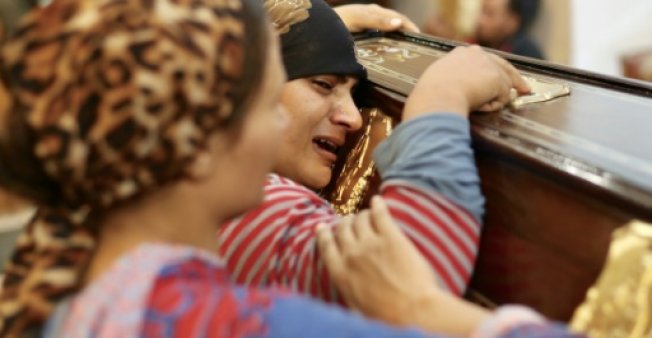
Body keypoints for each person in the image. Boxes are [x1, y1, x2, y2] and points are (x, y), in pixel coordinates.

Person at [0, 1, 587, 337]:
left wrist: (307, 25)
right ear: (199, 139)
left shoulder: (71, 265)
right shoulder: (252, 318)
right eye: (263, 101)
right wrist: (437, 102)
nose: (356, 120)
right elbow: (416, 264)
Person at [217, 0, 528, 302]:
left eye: (352, 93)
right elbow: (409, 288)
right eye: (324, 84)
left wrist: (311, 26)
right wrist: (442, 97)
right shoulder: (248, 204)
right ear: (250, 89)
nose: (353, 118)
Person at [474, 0, 544, 59]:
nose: (480, 21)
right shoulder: (477, 44)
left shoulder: (526, 54)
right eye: (482, 11)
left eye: (490, 14)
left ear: (512, 22)